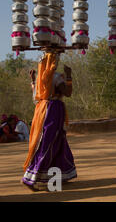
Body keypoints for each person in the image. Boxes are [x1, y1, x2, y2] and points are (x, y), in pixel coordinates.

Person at [22, 52, 77, 191]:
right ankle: (32, 178)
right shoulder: (56, 76)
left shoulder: (40, 78)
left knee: (48, 141)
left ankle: (59, 177)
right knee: (50, 143)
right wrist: (69, 76)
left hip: (41, 110)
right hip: (53, 110)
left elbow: (35, 98)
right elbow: (68, 93)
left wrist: (33, 80)